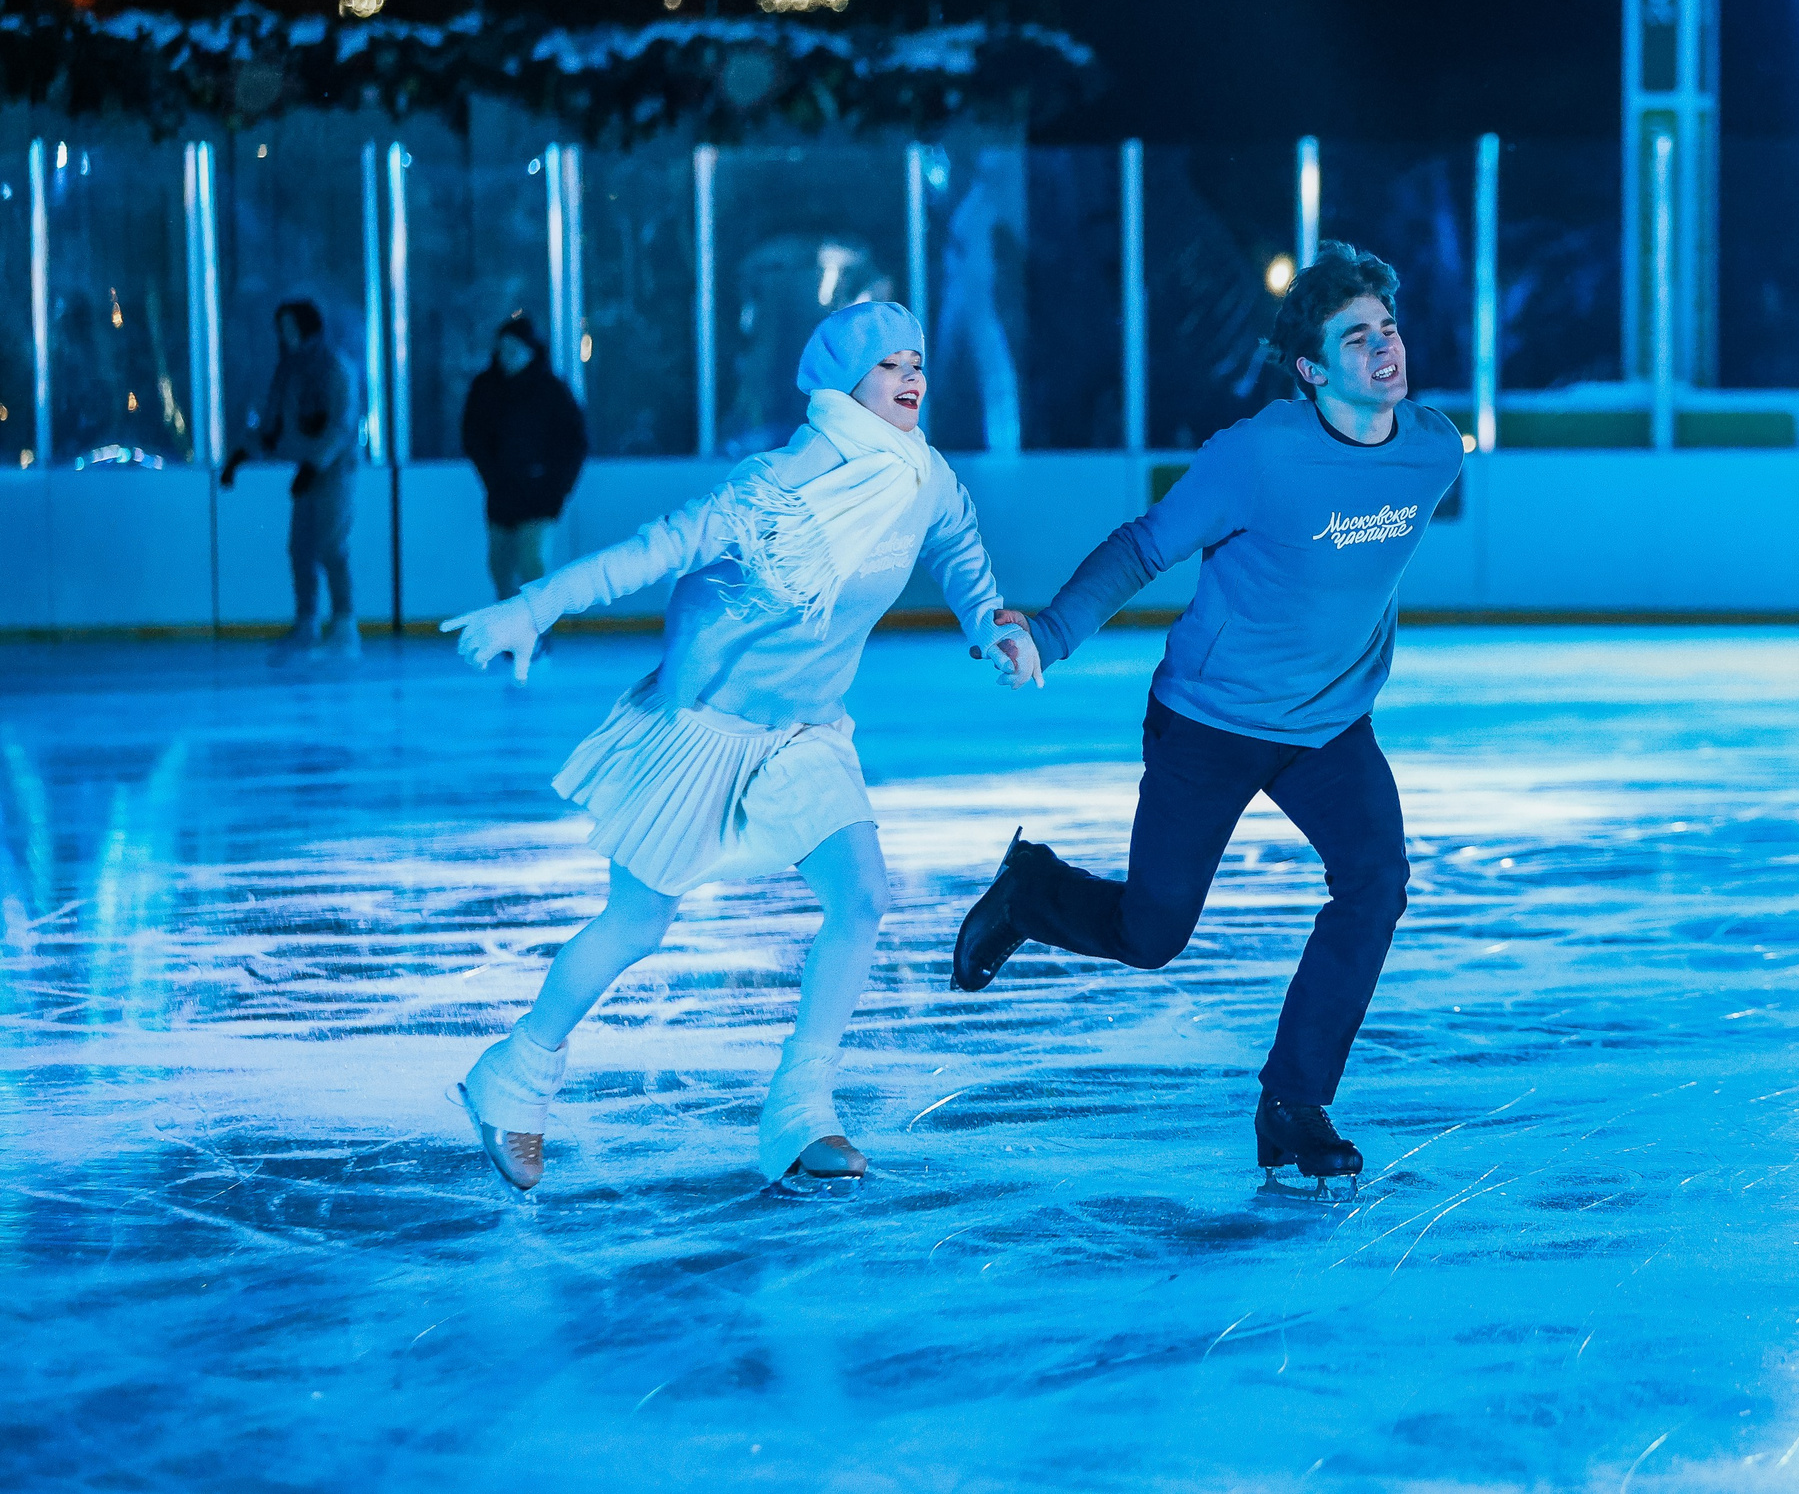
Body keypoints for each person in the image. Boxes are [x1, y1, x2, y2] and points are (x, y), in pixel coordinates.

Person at [441, 301, 1041, 1193]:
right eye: (889, 365)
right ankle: (513, 1076)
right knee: (637, 922)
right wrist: (532, 607)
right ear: (845, 382)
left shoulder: (924, 476)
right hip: (704, 730)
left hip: (806, 732)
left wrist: (990, 624)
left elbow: (957, 549)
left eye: (916, 361)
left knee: (862, 898)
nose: (912, 377)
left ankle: (801, 1111)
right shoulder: (774, 486)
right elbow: (650, 553)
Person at [951, 241, 1463, 1191]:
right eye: (1356, 338)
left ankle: (1293, 1104)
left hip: (1329, 727)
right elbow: (1143, 546)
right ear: (1312, 371)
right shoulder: (1257, 456)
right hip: (1209, 722)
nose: (1385, 347)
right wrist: (1049, 637)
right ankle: (1030, 893)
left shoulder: (1432, 450)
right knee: (1153, 936)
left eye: (1388, 328)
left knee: (1376, 882)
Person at [220, 300, 362, 659]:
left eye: (290, 326)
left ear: (306, 327)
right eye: (282, 328)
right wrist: (242, 454)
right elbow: (275, 425)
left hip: (334, 470)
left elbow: (342, 425)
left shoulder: (334, 366)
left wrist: (315, 464)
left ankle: (345, 628)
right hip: (307, 471)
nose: (285, 334)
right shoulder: (290, 370)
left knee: (331, 546)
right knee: (301, 549)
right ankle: (307, 624)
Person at [461, 312, 588, 614]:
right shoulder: (486, 388)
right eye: (502, 349)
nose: (507, 357)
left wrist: (557, 487)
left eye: (514, 350)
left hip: (540, 495)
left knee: (534, 561)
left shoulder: (552, 391)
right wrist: (492, 476)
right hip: (502, 493)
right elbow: (472, 436)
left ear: (530, 351)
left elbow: (575, 442)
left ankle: (538, 623)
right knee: (500, 564)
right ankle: (508, 619)